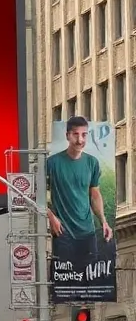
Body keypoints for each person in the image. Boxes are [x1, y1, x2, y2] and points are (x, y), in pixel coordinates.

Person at [47, 115, 113, 270]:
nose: (80, 140)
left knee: (90, 283)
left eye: (84, 135)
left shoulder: (92, 163)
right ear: (67, 136)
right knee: (65, 286)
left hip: (87, 233)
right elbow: (37, 193)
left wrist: (103, 221)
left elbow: (94, 194)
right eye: (75, 134)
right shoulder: (52, 163)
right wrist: (51, 217)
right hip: (63, 232)